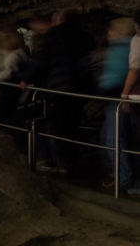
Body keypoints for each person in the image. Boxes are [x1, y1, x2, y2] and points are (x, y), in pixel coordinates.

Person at [19, 10, 95, 174]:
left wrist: (26, 78)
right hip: (80, 90)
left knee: (53, 125)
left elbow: (43, 60)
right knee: (71, 125)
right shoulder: (86, 36)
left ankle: (60, 164)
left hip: (58, 88)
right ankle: (70, 161)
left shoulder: (56, 34)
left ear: (59, 20)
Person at [98, 18, 138, 191]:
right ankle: (120, 175)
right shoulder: (128, 45)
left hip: (118, 98)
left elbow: (122, 73)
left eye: (111, 30)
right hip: (121, 98)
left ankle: (123, 178)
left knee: (113, 139)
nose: (108, 33)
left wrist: (104, 92)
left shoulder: (122, 48)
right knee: (115, 138)